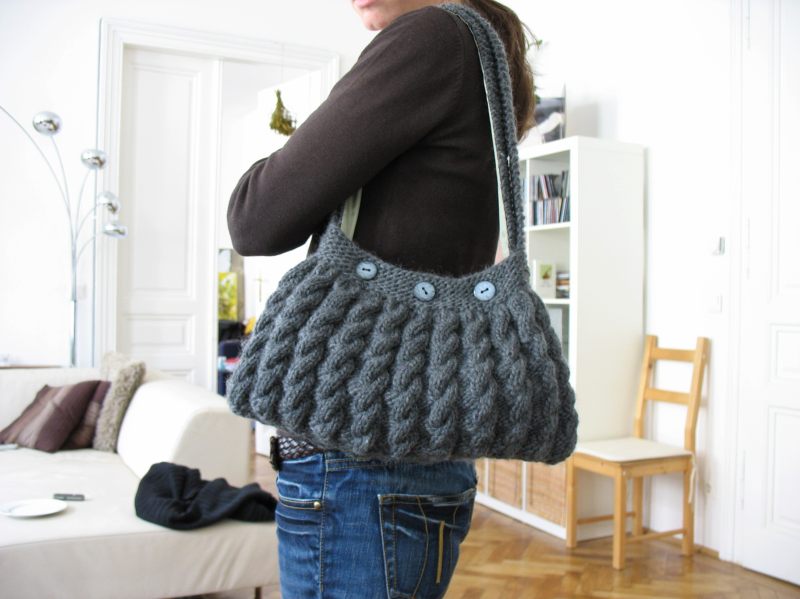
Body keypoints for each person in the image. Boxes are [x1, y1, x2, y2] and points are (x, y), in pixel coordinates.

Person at [227, 0, 536, 596]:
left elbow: (254, 217)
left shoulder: (431, 37)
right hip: (402, 458)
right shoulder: (476, 48)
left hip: (360, 466)